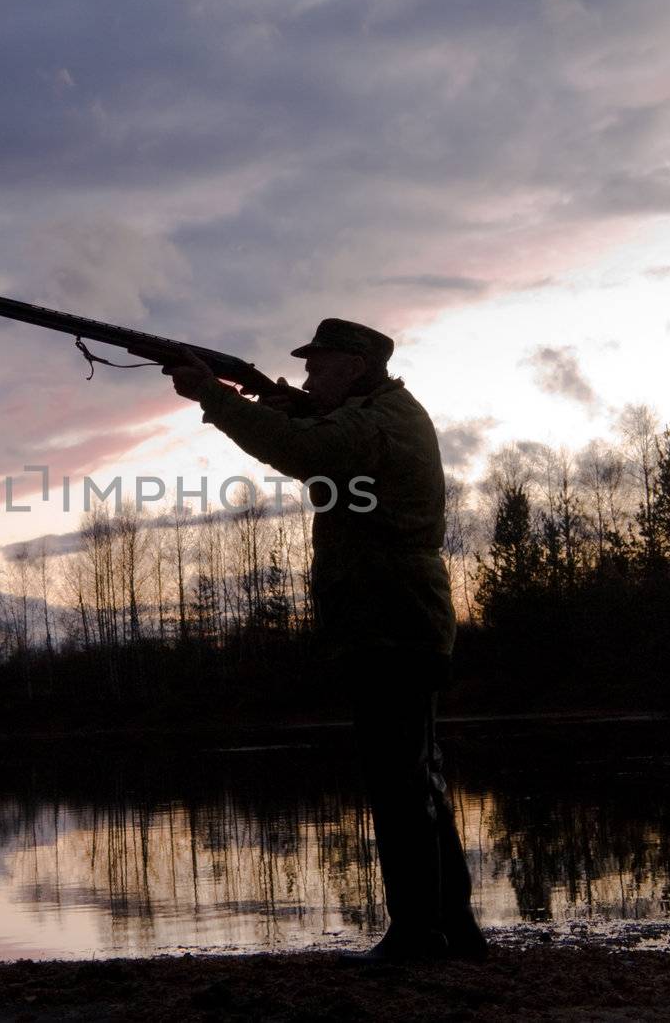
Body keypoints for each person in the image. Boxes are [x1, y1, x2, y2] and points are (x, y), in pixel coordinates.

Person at [162, 319, 486, 963]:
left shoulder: (379, 420)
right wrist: (292, 408)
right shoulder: (377, 415)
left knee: (401, 781)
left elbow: (306, 453)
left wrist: (217, 397)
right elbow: (322, 450)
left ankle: (421, 934)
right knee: (413, 777)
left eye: (320, 365)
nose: (308, 375)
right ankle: (452, 929)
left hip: (392, 618)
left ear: (356, 367)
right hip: (388, 616)